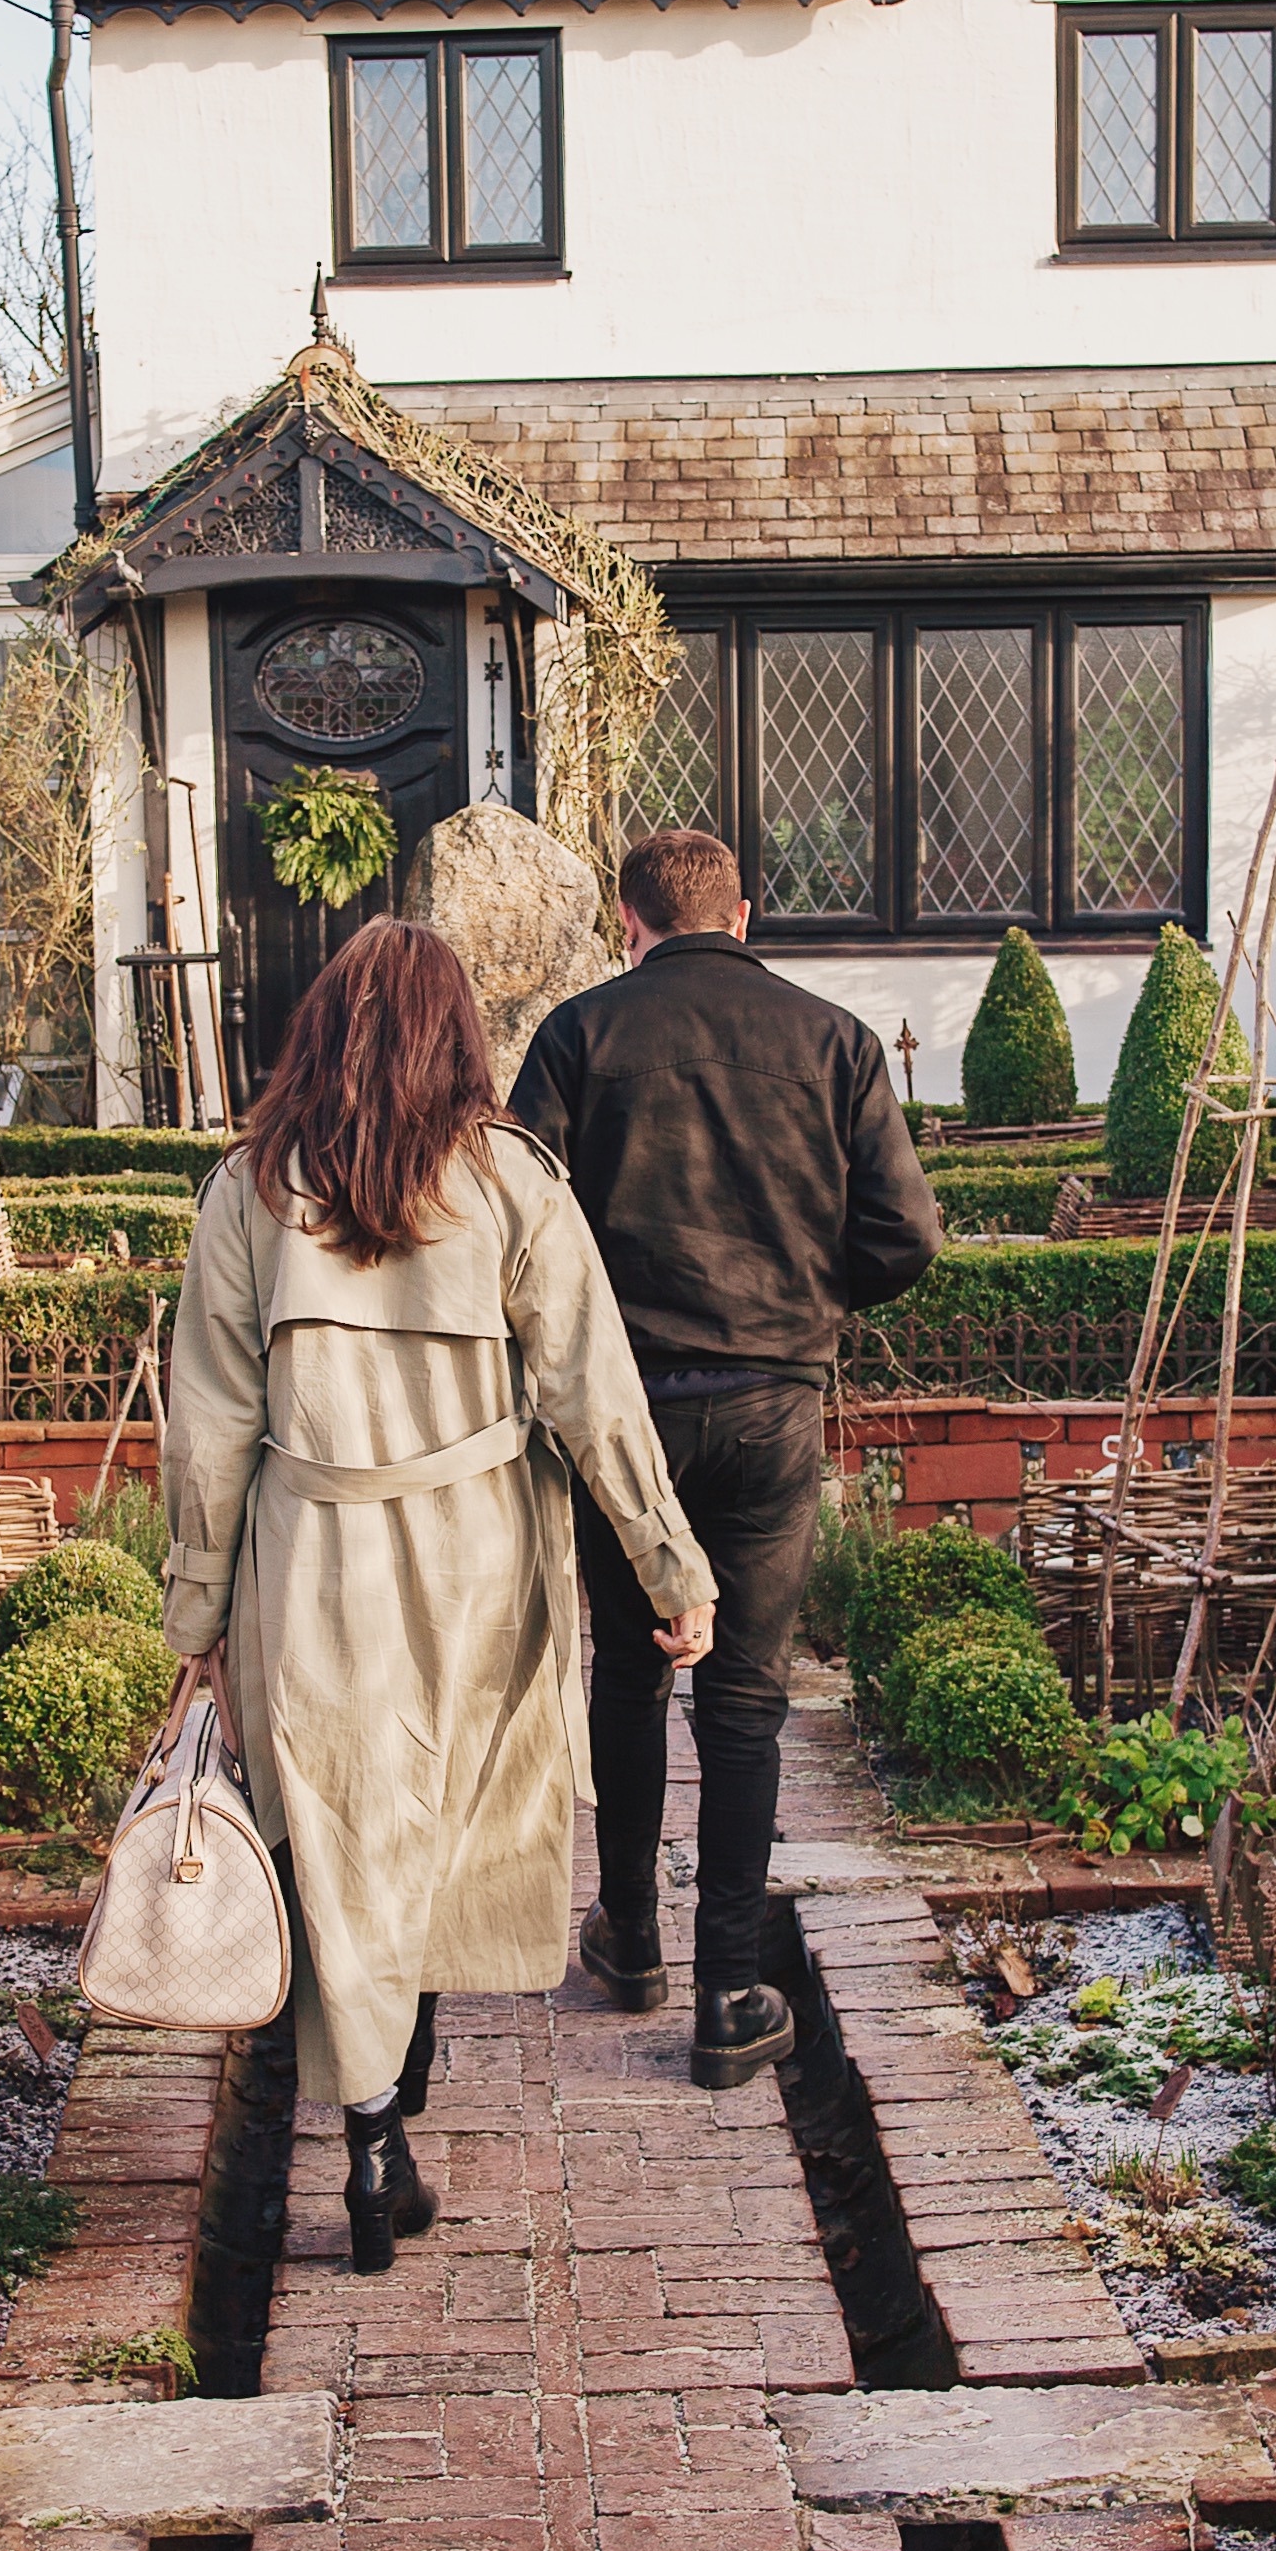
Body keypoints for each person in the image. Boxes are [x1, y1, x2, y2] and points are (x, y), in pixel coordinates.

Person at [160, 918, 716, 2274]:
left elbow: (211, 1423)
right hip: (475, 1557)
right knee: (444, 1798)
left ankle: (363, 2126)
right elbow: (594, 1385)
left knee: (343, 1820)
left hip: (313, 1550)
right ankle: (386, 2094)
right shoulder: (510, 1181)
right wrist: (668, 1560)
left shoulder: (249, 1188)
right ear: (458, 1035)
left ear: (323, 1032)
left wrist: (195, 1620)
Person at [511, 827, 944, 2087]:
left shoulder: (579, 1037)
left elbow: (522, 1227)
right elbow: (904, 1238)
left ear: (627, 919)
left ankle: (631, 1934)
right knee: (746, 1699)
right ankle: (729, 1990)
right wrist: (812, 1297)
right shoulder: (835, 1040)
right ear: (742, 912)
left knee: (629, 1675)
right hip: (769, 1401)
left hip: (618, 1412)